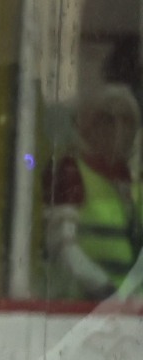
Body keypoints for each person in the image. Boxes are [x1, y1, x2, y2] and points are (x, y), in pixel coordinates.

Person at [46, 86, 141, 301]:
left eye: (126, 121)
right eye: (107, 120)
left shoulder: (132, 184)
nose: (118, 130)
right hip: (80, 309)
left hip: (130, 312)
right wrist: (104, 289)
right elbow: (62, 247)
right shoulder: (71, 171)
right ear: (88, 126)